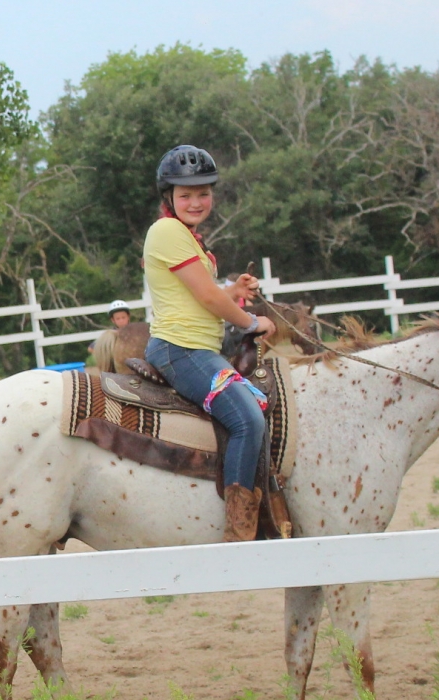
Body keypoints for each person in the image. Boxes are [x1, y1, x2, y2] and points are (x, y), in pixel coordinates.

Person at [141, 144, 277, 543]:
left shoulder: (187, 238)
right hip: (182, 350)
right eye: (186, 194)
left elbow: (202, 291)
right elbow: (206, 299)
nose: (196, 201)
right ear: (169, 198)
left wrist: (232, 288)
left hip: (195, 347)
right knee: (248, 418)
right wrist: (252, 321)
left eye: (203, 193)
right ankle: (238, 527)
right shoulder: (167, 231)